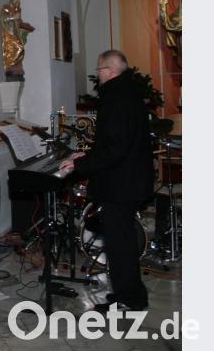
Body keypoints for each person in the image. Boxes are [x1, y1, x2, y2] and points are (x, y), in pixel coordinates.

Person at [59, 50, 152, 312]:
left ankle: (129, 301)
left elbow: (115, 149)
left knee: (120, 246)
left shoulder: (115, 97)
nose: (97, 76)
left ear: (109, 70)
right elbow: (115, 142)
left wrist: (80, 164)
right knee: (121, 243)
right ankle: (130, 294)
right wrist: (87, 154)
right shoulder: (128, 92)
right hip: (128, 180)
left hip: (121, 184)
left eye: (99, 70)